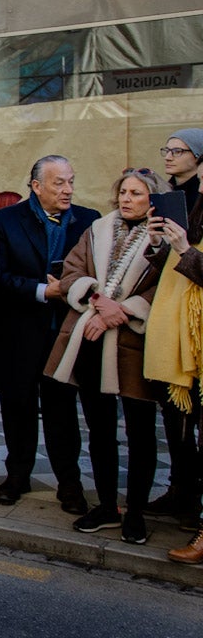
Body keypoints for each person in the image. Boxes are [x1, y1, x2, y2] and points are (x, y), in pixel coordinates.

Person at [43, 168, 167, 544]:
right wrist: (99, 302)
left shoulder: (164, 236)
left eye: (137, 193)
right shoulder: (97, 229)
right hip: (90, 340)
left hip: (134, 346)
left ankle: (138, 512)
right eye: (123, 192)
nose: (127, 199)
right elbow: (71, 272)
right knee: (99, 429)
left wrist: (123, 310)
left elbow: (166, 287)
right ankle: (108, 505)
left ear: (153, 200)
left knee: (141, 432)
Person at [0, 156, 99, 509]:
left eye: (70, 182)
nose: (67, 190)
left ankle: (69, 483)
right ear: (36, 186)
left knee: (62, 411)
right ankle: (17, 475)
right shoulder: (4, 220)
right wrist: (40, 290)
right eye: (58, 183)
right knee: (16, 408)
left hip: (65, 333)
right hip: (18, 331)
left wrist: (75, 288)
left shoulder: (88, 220)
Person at [144, 157, 203, 561]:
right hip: (187, 336)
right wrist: (159, 246)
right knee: (183, 429)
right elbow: (171, 273)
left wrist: (185, 249)